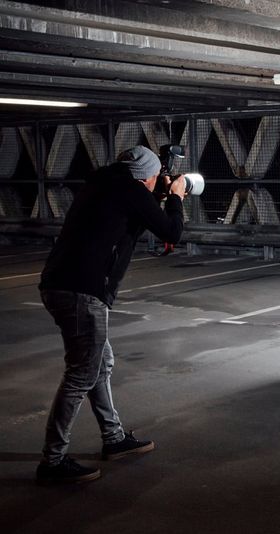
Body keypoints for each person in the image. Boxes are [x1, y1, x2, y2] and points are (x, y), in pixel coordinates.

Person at [36, 145, 187, 484]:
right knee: (81, 375)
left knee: (99, 365)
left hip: (62, 285)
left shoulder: (103, 184)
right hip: (82, 293)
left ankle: (114, 438)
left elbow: (130, 211)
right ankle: (53, 461)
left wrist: (157, 193)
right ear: (147, 178)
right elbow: (172, 232)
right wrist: (176, 196)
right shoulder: (132, 191)